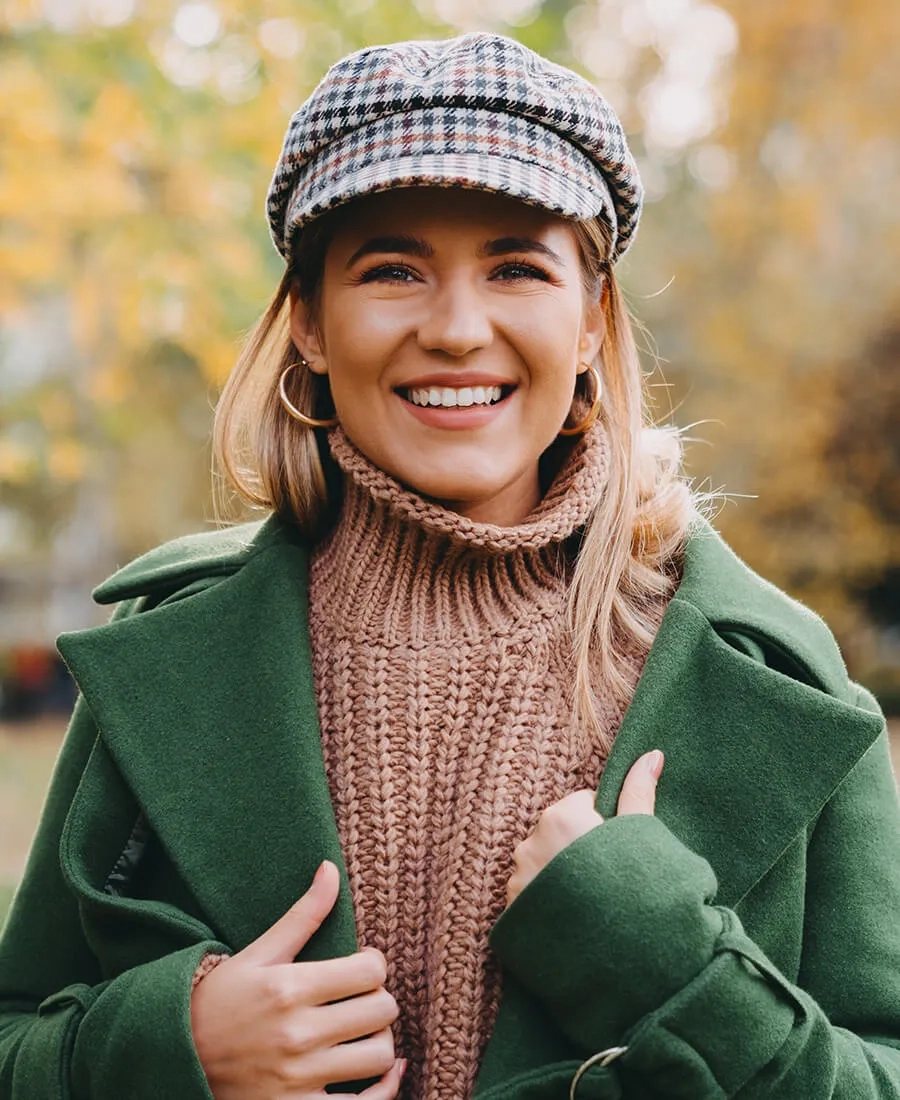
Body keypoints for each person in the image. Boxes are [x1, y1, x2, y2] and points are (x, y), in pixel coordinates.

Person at [1, 30, 899, 1100]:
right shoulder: (167, 655)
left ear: (590, 320)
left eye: (517, 266)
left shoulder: (775, 675)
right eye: (392, 268)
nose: (458, 328)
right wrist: (170, 1046)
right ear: (312, 324)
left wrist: (673, 963)